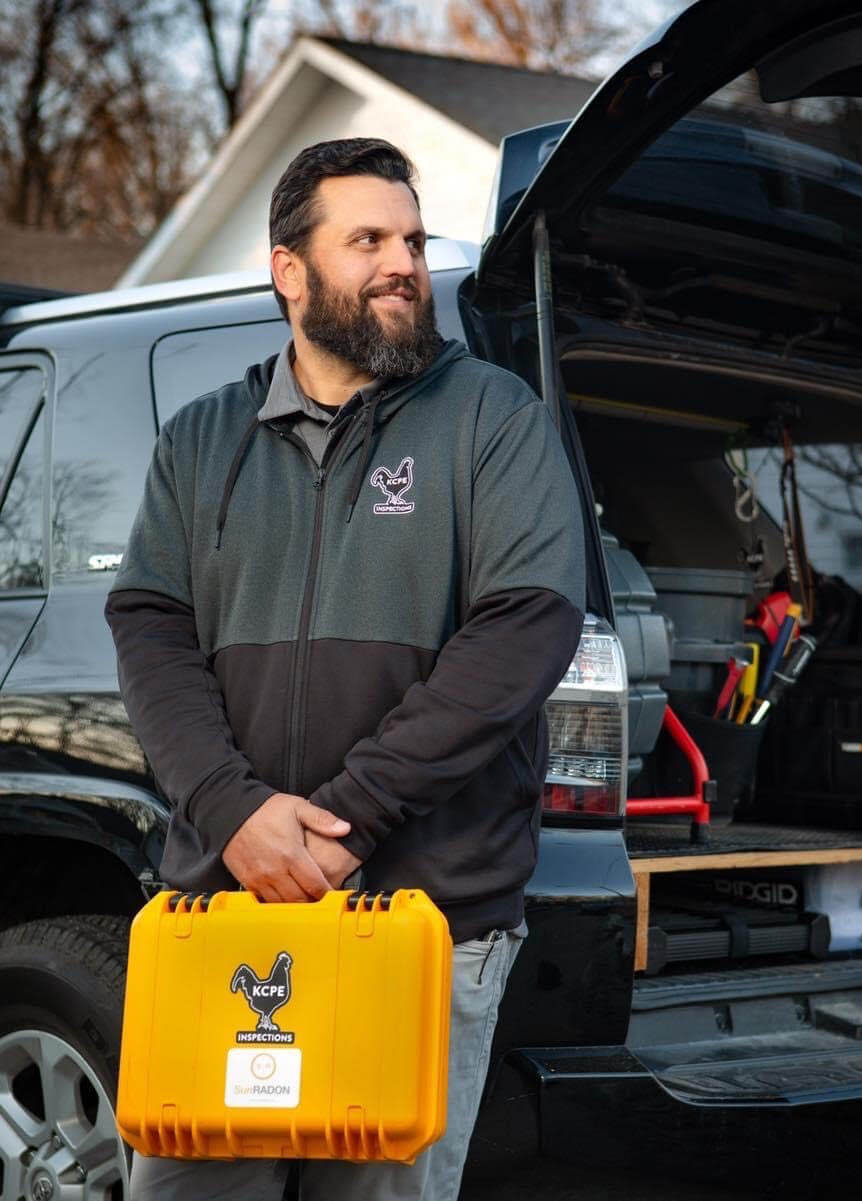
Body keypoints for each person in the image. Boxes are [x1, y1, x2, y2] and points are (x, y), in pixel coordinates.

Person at [105, 137, 585, 1201]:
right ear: (290, 270)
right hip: (228, 918)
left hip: (424, 927)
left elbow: (524, 629)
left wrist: (341, 820)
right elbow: (151, 633)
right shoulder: (200, 440)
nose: (401, 262)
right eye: (366, 237)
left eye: (411, 238)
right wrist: (235, 813)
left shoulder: (491, 419)